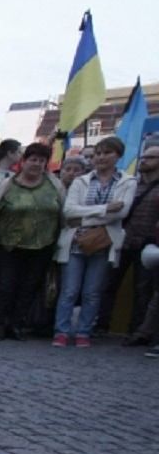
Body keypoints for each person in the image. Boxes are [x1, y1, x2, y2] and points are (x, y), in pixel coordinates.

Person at [52, 137, 137, 348]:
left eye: (107, 153)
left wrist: (86, 215)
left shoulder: (127, 182)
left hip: (104, 242)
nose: (101, 158)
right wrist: (105, 208)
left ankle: (83, 331)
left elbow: (122, 212)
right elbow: (70, 210)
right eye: (98, 153)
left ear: (117, 156)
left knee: (92, 291)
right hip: (76, 240)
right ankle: (61, 331)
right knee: (69, 290)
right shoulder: (82, 181)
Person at [0, 142, 65, 341]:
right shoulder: (6, 186)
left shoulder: (55, 186)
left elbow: (63, 214)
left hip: (42, 246)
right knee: (4, 286)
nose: (37, 164)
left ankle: (16, 324)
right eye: (33, 159)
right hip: (9, 246)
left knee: (28, 288)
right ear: (23, 162)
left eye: (41, 161)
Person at [102, 143, 159, 338]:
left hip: (148, 244)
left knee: (142, 289)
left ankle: (136, 330)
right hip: (124, 241)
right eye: (143, 157)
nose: (144, 160)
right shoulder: (132, 184)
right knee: (109, 284)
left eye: (150, 158)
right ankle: (102, 324)